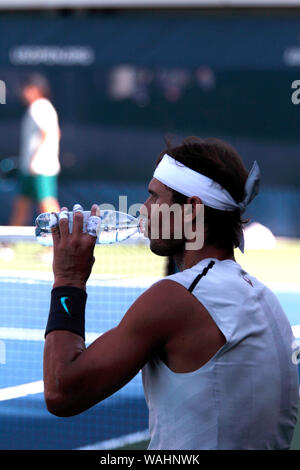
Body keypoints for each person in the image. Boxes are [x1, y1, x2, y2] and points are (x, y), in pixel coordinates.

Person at [43, 137, 299, 450]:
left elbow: (61, 392)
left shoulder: (176, 298)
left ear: (191, 209)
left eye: (154, 197)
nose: (144, 210)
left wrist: (69, 278)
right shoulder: (264, 297)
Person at [10, 74, 61, 226]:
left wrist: (37, 160)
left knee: (47, 203)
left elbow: (51, 133)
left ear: (37, 89)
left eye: (27, 89)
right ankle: (8, 242)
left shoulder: (40, 107)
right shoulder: (36, 107)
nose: (23, 93)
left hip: (41, 168)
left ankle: (58, 242)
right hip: (30, 168)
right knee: (21, 203)